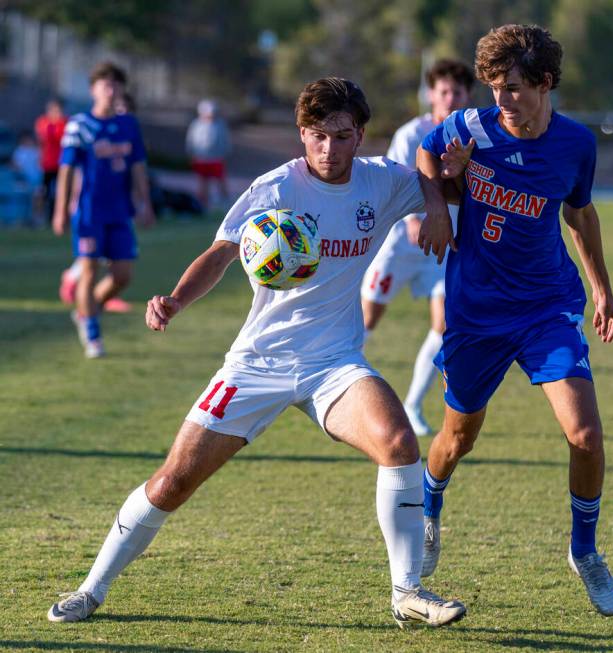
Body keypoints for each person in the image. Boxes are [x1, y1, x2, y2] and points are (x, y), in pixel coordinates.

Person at [47, 77, 466, 629]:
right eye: (318, 136)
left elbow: (449, 185)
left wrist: (437, 199)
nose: (330, 149)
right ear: (302, 135)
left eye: (342, 136)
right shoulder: (275, 189)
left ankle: (407, 592)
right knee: (172, 482)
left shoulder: (380, 182)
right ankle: (90, 589)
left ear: (360, 135)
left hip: (333, 363)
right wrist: (174, 300)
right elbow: (221, 254)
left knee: (398, 441)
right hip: (257, 364)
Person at [416, 24, 613, 616]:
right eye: (494, 87)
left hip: (547, 306)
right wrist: (437, 208)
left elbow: (580, 217)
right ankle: (430, 512)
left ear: (545, 83)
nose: (500, 100)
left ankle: (584, 551)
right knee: (458, 439)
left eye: (512, 88)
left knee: (585, 434)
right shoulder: (473, 127)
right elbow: (427, 153)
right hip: (476, 312)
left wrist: (601, 289)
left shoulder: (576, 145)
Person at [361, 59, 474, 436]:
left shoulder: (472, 138)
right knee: (368, 319)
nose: (450, 98)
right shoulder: (412, 134)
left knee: (443, 325)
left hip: (443, 245)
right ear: (431, 94)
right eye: (444, 91)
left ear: (467, 96)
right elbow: (396, 180)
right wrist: (411, 220)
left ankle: (412, 405)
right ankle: (334, 381)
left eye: (457, 92)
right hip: (400, 245)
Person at [52, 61, 155, 358]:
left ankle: (86, 313)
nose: (110, 89)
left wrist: (145, 203)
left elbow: (137, 167)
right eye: (104, 84)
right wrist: (60, 210)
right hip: (89, 213)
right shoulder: (80, 125)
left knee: (122, 276)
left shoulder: (128, 125)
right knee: (88, 270)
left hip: (120, 212)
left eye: (116, 84)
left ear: (122, 89)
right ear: (93, 89)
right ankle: (93, 336)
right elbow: (66, 170)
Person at [59, 90, 138, 314]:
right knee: (94, 261)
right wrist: (70, 204)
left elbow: (131, 171)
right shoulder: (88, 129)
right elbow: (78, 172)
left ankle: (89, 303)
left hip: (119, 209)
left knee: (115, 260)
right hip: (91, 209)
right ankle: (76, 283)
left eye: (125, 110)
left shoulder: (127, 133)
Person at [186, 99, 231, 208]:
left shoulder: (220, 124)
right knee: (202, 183)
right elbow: (191, 140)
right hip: (201, 158)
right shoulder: (196, 124)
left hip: (216, 159)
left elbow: (225, 141)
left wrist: (224, 154)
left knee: (220, 181)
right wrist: (191, 153)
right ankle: (204, 204)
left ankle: (225, 203)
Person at [35, 98, 67, 220]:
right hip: (47, 164)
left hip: (62, 163)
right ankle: (41, 217)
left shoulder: (65, 122)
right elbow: (45, 137)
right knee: (44, 192)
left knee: (61, 192)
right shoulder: (43, 122)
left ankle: (59, 216)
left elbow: (62, 138)